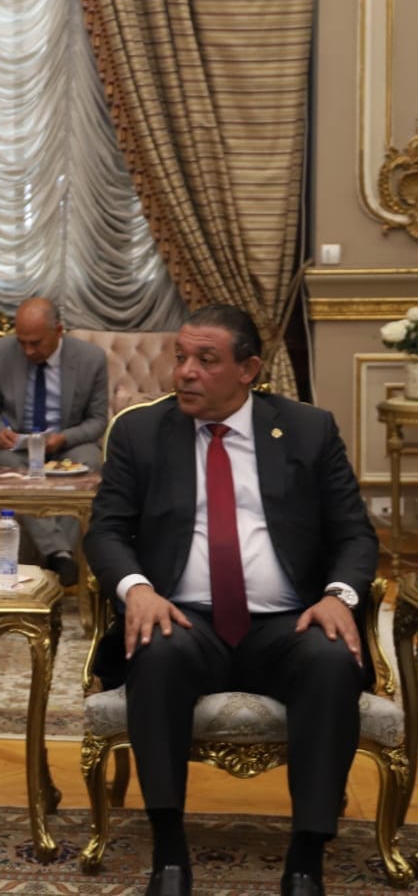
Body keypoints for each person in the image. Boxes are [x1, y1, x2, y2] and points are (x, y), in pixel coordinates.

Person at [84, 305, 375, 896]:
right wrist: (138, 589)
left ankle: (305, 859)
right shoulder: (142, 433)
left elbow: (355, 535)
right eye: (181, 357)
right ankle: (169, 855)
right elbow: (106, 531)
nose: (185, 372)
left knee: (331, 659)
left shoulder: (307, 429)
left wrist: (338, 596)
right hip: (184, 617)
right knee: (154, 651)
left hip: (288, 623)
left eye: (206, 360)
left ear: (248, 369)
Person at [0, 297, 108, 584]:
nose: (28, 350)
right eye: (22, 342)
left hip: (67, 443)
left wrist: (63, 438)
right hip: (18, 448)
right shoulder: (1, 352)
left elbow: (98, 420)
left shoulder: (91, 358)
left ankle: (55, 554)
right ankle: (60, 555)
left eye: (36, 343)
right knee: (5, 465)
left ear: (58, 330)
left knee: (90, 459)